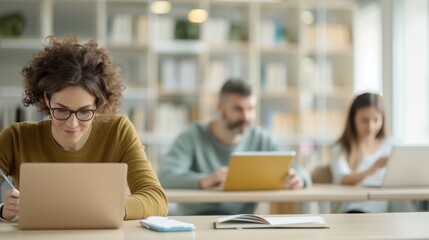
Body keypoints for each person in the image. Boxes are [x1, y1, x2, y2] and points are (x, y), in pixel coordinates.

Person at [0, 35, 168, 221]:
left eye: (84, 111)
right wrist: (2, 210)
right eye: (62, 110)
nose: (72, 124)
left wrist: (112, 208)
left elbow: (156, 199)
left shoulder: (118, 131)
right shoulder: (16, 137)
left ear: (98, 103)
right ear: (47, 99)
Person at [158, 79, 310, 215]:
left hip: (242, 223)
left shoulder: (260, 138)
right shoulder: (192, 136)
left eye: (251, 109)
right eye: (238, 109)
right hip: (195, 222)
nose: (246, 117)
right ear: (220, 107)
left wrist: (299, 178)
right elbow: (164, 176)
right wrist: (204, 180)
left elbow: (296, 169)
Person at [329, 92, 411, 213]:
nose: (371, 126)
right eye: (364, 120)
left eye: (376, 120)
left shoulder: (391, 145)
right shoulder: (342, 148)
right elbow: (341, 178)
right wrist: (371, 170)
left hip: (386, 213)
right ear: (353, 119)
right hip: (353, 210)